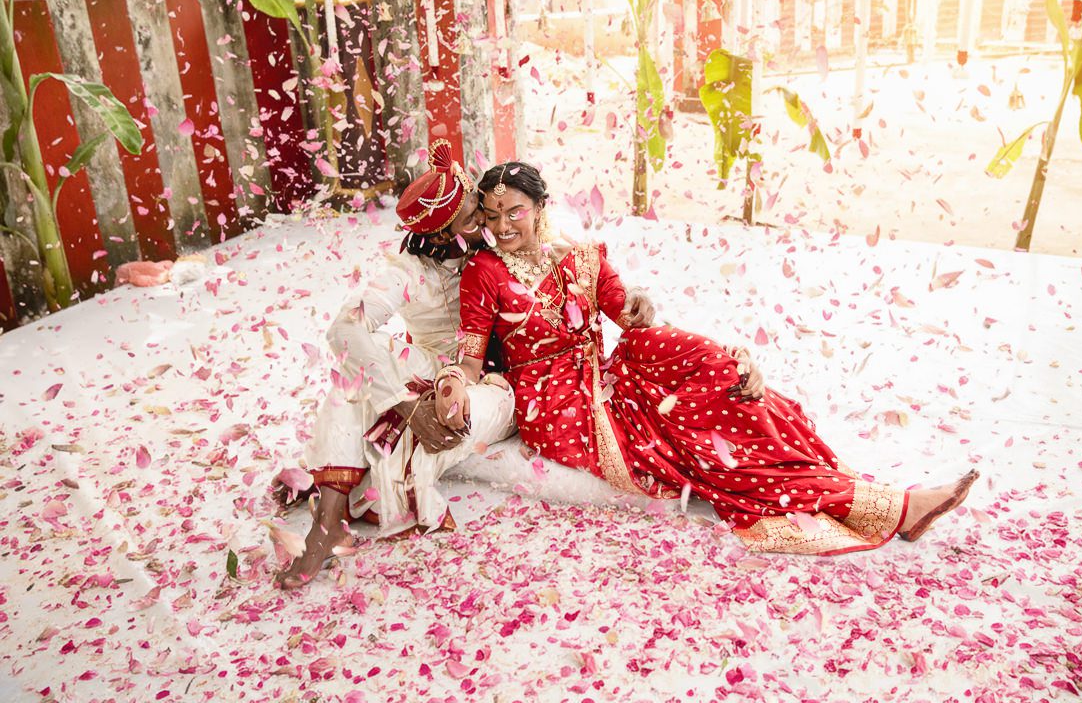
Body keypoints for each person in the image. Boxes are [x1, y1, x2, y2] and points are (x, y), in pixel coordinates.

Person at [435, 162, 979, 555]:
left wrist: (673, 327)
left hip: (602, 373)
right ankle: (887, 506)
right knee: (695, 438)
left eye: (515, 211)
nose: (502, 227)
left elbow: (629, 315)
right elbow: (471, 356)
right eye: (492, 216)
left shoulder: (581, 256)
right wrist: (454, 382)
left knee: (698, 367)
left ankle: (752, 389)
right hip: (558, 405)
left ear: (541, 208)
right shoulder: (483, 272)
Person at [278, 145, 659, 588]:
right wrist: (402, 403)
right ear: (442, 237)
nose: (490, 220)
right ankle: (327, 521)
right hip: (438, 368)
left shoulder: (513, 237)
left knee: (447, 408)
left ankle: (365, 480)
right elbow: (345, 328)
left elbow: (580, 269)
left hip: (497, 385)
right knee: (352, 376)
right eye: (475, 217)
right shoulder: (409, 271)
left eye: (484, 207)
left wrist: (631, 297)